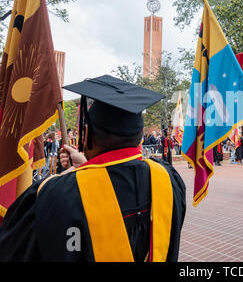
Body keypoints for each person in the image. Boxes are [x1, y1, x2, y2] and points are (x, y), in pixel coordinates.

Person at [0, 75, 186, 262]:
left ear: (87, 134)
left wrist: (72, 177)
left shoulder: (55, 194)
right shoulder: (168, 178)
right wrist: (86, 168)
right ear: (139, 137)